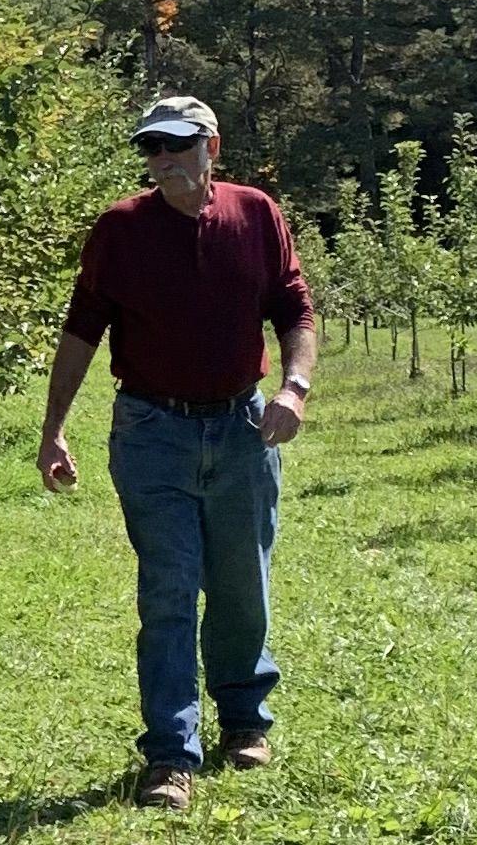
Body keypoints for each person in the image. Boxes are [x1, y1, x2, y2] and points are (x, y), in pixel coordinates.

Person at [37, 93, 318, 806]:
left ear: (211, 148)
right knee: (168, 589)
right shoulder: (121, 230)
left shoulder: (256, 215)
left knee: (240, 583)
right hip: (152, 433)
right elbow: (82, 330)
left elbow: (293, 306)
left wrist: (295, 388)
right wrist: (53, 429)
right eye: (152, 150)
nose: (162, 162)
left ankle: (244, 721)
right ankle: (171, 755)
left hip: (241, 429)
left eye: (177, 147)